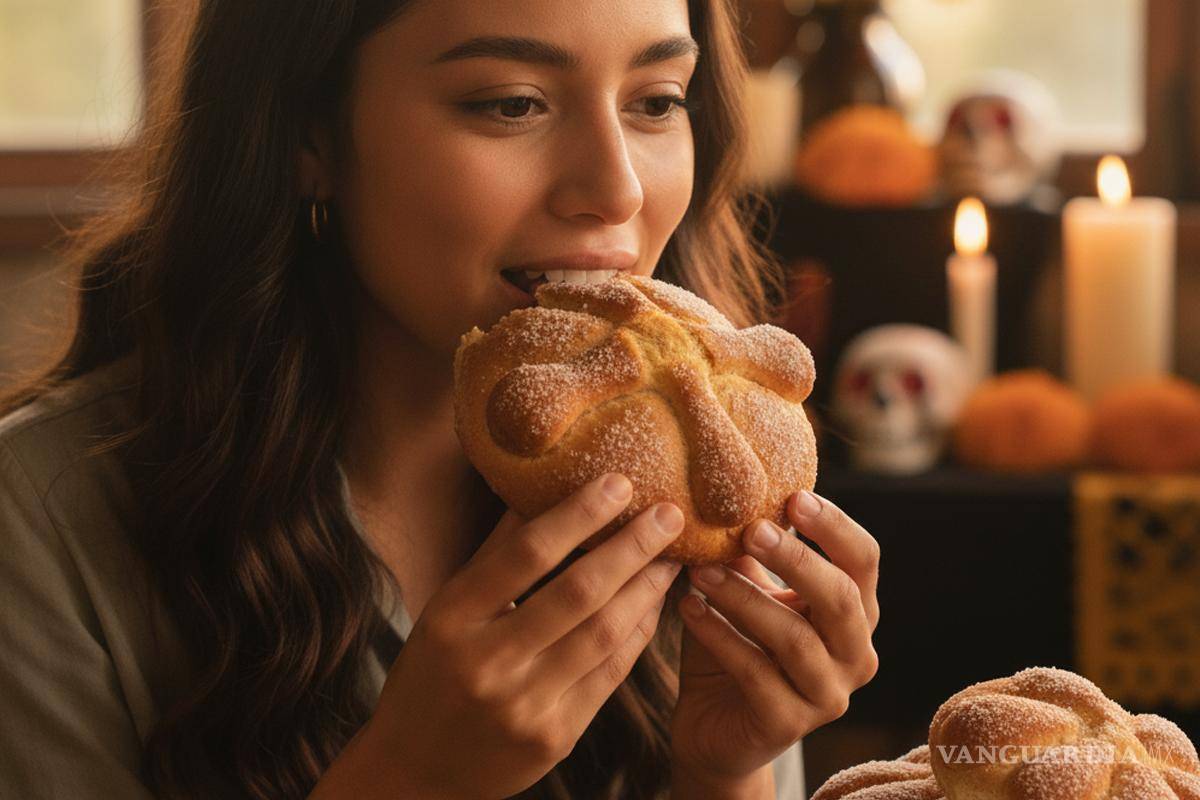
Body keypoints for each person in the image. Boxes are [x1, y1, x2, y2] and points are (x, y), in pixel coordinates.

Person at [0, 0, 881, 797]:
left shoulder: (711, 487)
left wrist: (722, 774)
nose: (618, 190)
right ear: (308, 134)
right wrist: (408, 781)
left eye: (655, 101)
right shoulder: (35, 523)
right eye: (511, 103)